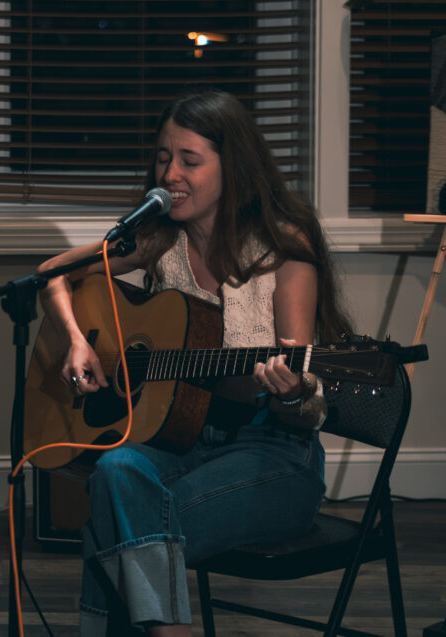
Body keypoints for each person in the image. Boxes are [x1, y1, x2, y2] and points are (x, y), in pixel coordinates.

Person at [36, 88, 353, 636]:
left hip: (274, 453)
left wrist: (293, 390)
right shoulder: (158, 242)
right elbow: (51, 273)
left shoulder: (284, 245)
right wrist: (76, 341)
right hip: (181, 440)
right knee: (116, 469)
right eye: (163, 157)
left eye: (190, 160)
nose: (170, 174)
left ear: (235, 167)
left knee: (119, 521)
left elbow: (303, 393)